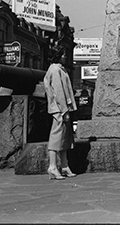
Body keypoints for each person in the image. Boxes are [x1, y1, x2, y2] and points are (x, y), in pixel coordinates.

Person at [43, 46, 77, 180]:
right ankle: (52, 166)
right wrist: (64, 111)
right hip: (59, 109)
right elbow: (59, 92)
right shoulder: (56, 70)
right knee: (56, 137)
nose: (65, 56)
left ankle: (64, 165)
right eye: (63, 54)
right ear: (58, 55)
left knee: (64, 137)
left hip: (60, 108)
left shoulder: (56, 69)